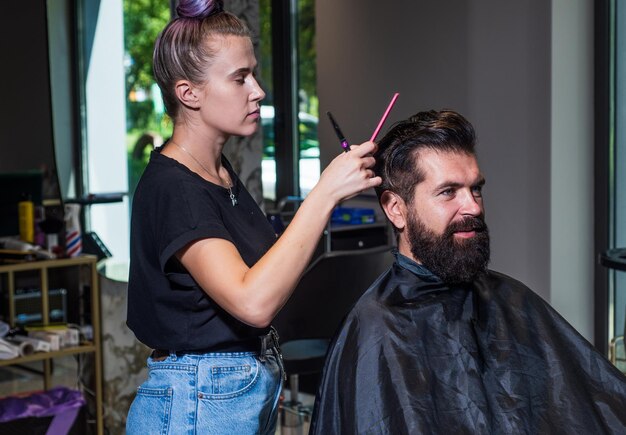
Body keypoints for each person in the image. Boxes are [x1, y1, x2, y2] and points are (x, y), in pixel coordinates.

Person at [125, 1, 381, 434]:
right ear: (189, 93)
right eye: (240, 78)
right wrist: (324, 193)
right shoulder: (175, 188)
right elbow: (253, 302)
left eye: (254, 74)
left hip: (231, 394)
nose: (258, 91)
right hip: (197, 404)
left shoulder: (220, 173)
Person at [310, 109, 626, 434]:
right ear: (396, 209)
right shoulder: (377, 330)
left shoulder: (513, 300)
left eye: (476, 189)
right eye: (448, 192)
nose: (474, 206)